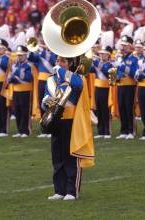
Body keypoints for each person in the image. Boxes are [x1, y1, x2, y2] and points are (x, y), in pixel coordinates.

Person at [42, 56, 95, 201]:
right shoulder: (50, 80)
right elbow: (46, 95)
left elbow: (78, 85)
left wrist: (63, 73)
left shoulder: (76, 78)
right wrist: (45, 102)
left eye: (63, 61)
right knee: (57, 157)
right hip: (56, 120)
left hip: (72, 122)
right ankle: (59, 190)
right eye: (58, 61)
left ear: (70, 64)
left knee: (71, 156)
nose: (59, 64)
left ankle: (72, 191)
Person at [28, 47, 57, 138]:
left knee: (51, 105)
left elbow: (54, 62)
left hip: (52, 80)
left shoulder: (56, 52)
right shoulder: (41, 53)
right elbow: (32, 58)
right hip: (41, 81)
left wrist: (47, 53)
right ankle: (44, 130)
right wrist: (32, 50)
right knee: (42, 104)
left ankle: (51, 129)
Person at [116, 35, 138, 140]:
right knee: (121, 107)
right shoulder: (120, 58)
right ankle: (123, 131)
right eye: (122, 45)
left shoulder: (134, 59)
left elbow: (134, 73)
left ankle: (131, 131)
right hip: (121, 85)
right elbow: (119, 72)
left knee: (129, 108)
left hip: (130, 86)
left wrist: (121, 67)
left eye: (125, 46)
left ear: (130, 46)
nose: (123, 47)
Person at [7, 45, 33, 137]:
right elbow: (11, 77)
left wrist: (16, 73)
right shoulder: (15, 65)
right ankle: (20, 130)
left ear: (26, 55)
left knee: (24, 111)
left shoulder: (29, 65)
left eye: (21, 55)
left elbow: (28, 78)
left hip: (25, 90)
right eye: (18, 55)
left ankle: (25, 131)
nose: (19, 57)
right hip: (16, 90)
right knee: (17, 110)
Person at [90, 46, 113, 139]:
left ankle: (107, 131)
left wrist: (98, 64)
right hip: (97, 88)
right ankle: (100, 131)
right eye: (100, 54)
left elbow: (108, 73)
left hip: (106, 89)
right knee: (98, 110)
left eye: (103, 54)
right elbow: (90, 70)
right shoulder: (97, 63)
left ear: (108, 55)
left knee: (105, 110)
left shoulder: (111, 65)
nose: (101, 55)